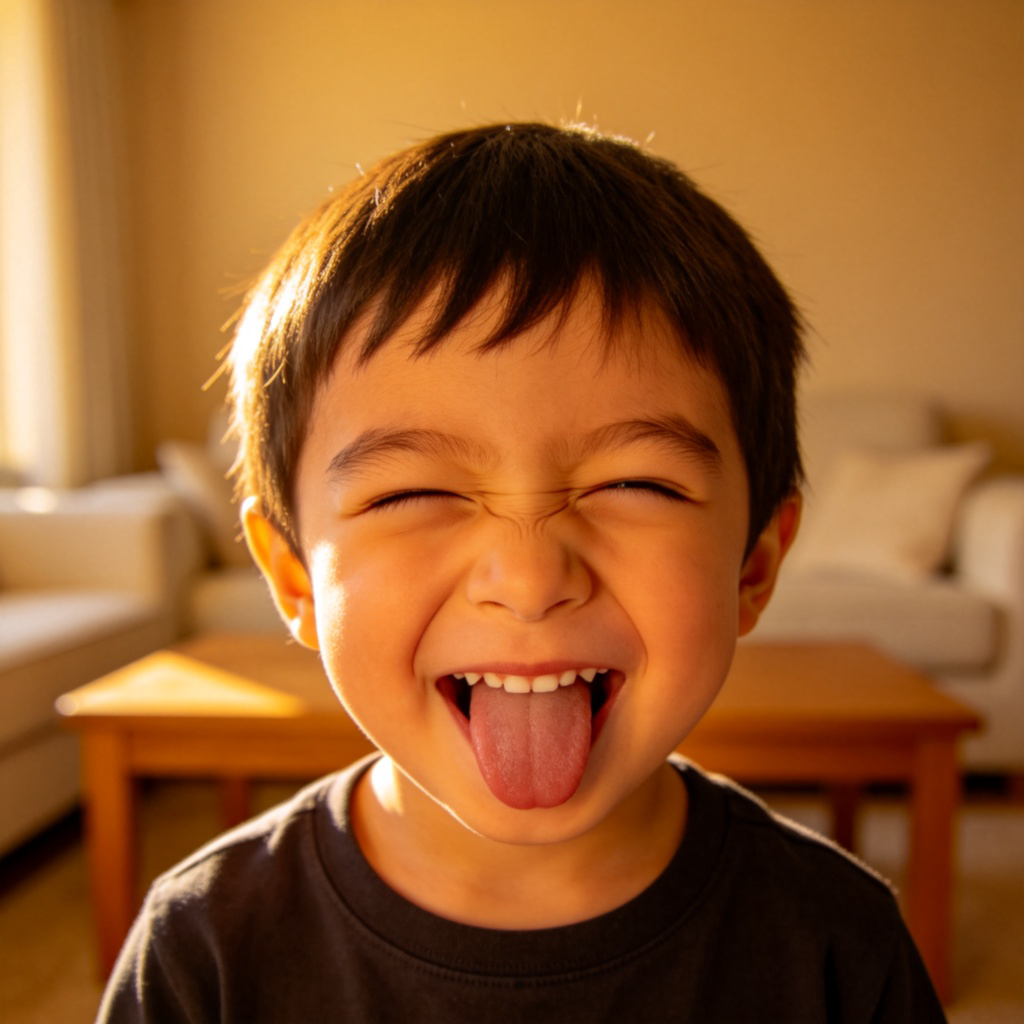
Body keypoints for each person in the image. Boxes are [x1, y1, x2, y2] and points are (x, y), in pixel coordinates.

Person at [98, 122, 945, 1022]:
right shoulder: (205, 953)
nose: (530, 575)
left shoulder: (837, 947)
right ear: (295, 578)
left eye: (635, 483)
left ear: (754, 566)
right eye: (412, 492)